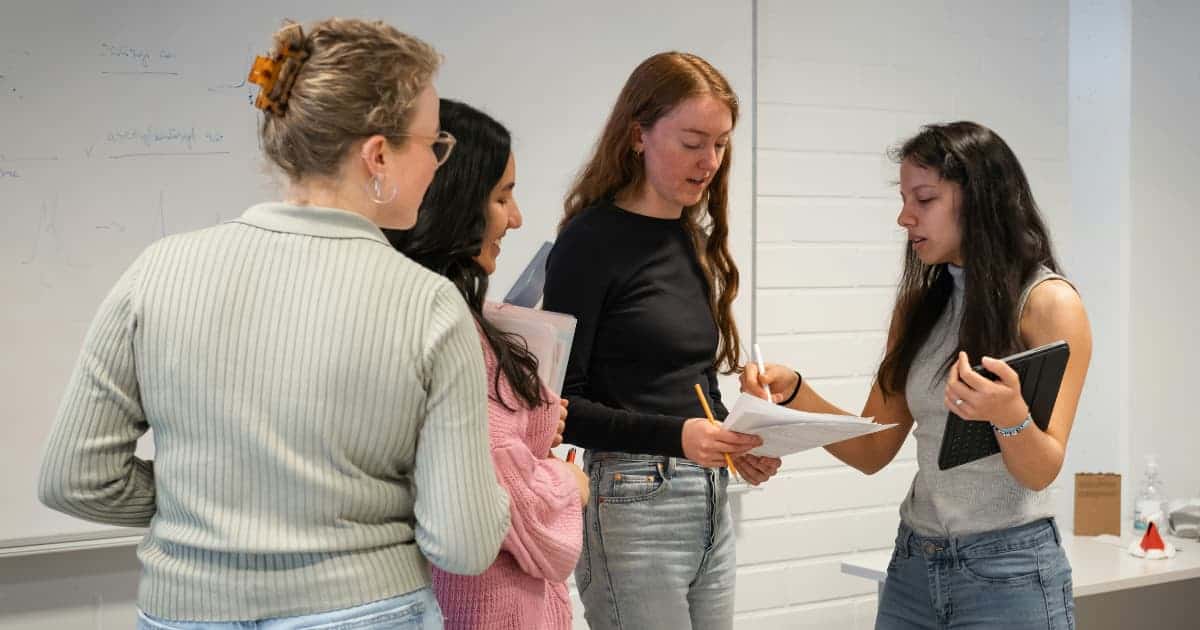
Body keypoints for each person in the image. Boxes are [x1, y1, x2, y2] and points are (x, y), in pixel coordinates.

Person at [38, 19, 510, 629]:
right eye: (431, 144)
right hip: (360, 608)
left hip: (184, 612)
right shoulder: (425, 303)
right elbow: (465, 544)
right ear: (377, 155)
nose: (436, 163)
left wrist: (214, 500)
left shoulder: (157, 271)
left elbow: (74, 478)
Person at [743, 121, 1092, 629]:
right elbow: (871, 450)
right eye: (905, 198)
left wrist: (1009, 415)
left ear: (980, 200)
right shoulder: (919, 307)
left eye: (923, 199)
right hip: (914, 563)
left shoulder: (1048, 303)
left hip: (1009, 569)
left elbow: (1041, 470)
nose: (905, 217)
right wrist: (796, 392)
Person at [543, 51, 781, 630]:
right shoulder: (589, 241)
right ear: (637, 135)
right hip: (631, 500)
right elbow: (560, 408)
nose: (709, 162)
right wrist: (680, 436)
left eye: (721, 145)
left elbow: (687, 386)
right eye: (693, 141)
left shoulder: (687, 237)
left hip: (707, 496)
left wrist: (734, 440)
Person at [385, 99, 587, 630]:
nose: (515, 218)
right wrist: (569, 487)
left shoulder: (400, 309)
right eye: (502, 197)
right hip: (485, 607)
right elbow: (510, 510)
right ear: (455, 202)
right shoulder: (451, 332)